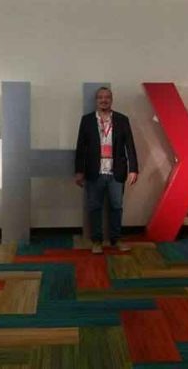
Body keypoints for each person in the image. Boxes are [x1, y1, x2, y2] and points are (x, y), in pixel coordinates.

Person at [74, 87, 139, 254]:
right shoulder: (87, 120)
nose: (104, 100)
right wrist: (79, 171)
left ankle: (116, 239)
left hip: (116, 171)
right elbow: (81, 147)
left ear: (112, 99)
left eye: (107, 97)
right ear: (96, 100)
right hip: (94, 171)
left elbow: (130, 145)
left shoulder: (122, 120)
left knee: (116, 206)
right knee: (94, 207)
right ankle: (96, 241)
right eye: (100, 97)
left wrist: (133, 169)